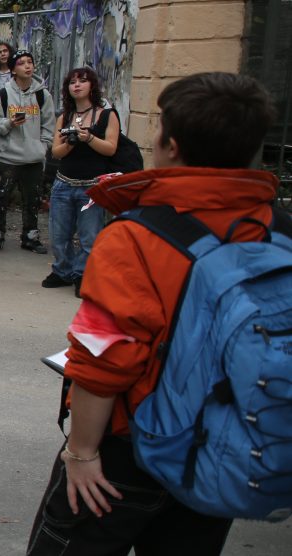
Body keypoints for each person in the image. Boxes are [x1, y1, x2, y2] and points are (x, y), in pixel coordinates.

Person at [26, 72, 278, 556]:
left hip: (131, 452)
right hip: (224, 449)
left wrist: (81, 452)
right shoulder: (279, 231)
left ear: (171, 146)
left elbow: (104, 362)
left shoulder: (137, 235)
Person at [44, 68, 118, 295]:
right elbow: (56, 152)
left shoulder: (106, 114)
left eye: (82, 81)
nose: (77, 85)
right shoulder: (63, 117)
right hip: (64, 183)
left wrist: (89, 137)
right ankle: (62, 270)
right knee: (59, 235)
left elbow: (110, 149)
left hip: (92, 185)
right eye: (72, 82)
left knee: (89, 236)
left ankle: (83, 274)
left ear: (92, 86)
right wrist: (72, 142)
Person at [0, 49, 55, 255]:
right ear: (14, 69)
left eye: (30, 62)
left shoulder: (42, 95)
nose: (27, 66)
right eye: (22, 63)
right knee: (0, 197)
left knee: (32, 199)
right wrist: (10, 123)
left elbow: (49, 125)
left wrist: (42, 146)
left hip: (33, 157)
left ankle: (30, 236)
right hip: (7, 157)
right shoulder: (3, 95)